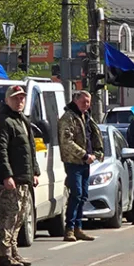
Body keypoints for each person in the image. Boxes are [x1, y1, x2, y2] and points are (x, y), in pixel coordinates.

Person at [0, 85, 40, 266]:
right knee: (8, 216)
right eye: (16, 98)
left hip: (23, 176)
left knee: (19, 216)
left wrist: (34, 171)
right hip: (11, 179)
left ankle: (13, 251)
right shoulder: (2, 121)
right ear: (7, 100)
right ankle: (4, 255)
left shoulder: (22, 120)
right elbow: (0, 151)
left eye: (22, 98)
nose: (19, 101)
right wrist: (6, 175)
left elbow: (30, 148)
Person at [58, 91, 104, 242]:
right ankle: (69, 229)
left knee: (83, 195)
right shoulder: (68, 117)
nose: (87, 104)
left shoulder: (87, 117)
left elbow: (93, 135)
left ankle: (78, 228)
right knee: (76, 193)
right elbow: (67, 142)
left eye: (88, 102)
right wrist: (84, 155)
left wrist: (97, 153)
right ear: (75, 101)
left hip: (86, 163)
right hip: (74, 162)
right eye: (84, 101)